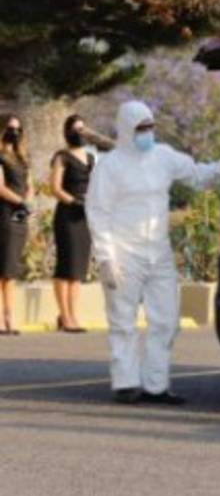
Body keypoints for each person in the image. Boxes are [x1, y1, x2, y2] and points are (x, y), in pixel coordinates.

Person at [86, 100, 220, 405]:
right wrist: (106, 258)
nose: (147, 133)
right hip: (125, 254)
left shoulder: (162, 156)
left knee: (165, 321)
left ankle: (156, 385)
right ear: (126, 130)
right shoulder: (110, 167)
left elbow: (196, 174)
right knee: (123, 321)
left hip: (159, 252)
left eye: (150, 127)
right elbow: (97, 212)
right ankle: (126, 383)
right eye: (141, 128)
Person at [50, 114, 112, 333]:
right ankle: (64, 316)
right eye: (76, 130)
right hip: (68, 215)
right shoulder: (61, 157)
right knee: (65, 266)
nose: (80, 134)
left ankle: (73, 315)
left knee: (77, 269)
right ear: (67, 132)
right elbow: (55, 188)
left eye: (83, 129)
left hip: (86, 217)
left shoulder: (91, 157)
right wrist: (74, 202)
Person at [0, 112, 34, 335]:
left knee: (10, 271)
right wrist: (20, 201)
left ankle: (10, 318)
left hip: (20, 216)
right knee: (1, 269)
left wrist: (28, 201)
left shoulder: (22, 158)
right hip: (4, 213)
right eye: (10, 128)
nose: (14, 132)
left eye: (18, 129)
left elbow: (29, 183)